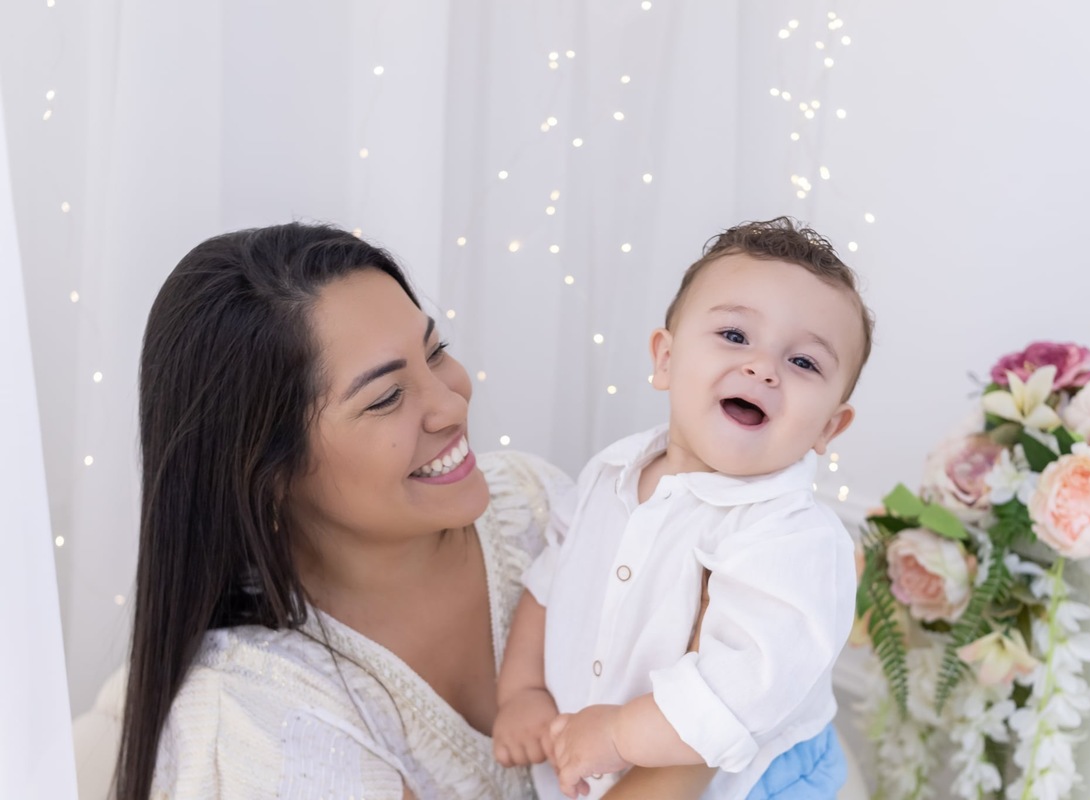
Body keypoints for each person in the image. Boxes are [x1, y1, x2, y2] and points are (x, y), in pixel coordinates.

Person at [115, 223, 716, 800]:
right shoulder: (257, 719)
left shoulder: (532, 506)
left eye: (435, 352)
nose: (451, 404)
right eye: (387, 397)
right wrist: (713, 707)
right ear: (270, 474)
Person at [493, 218, 873, 799]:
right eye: (735, 335)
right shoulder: (611, 474)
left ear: (829, 425)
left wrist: (618, 733)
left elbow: (741, 691)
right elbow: (550, 582)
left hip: (751, 785)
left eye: (803, 363)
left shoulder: (794, 539)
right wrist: (522, 693)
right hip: (587, 764)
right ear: (665, 359)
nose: (763, 367)